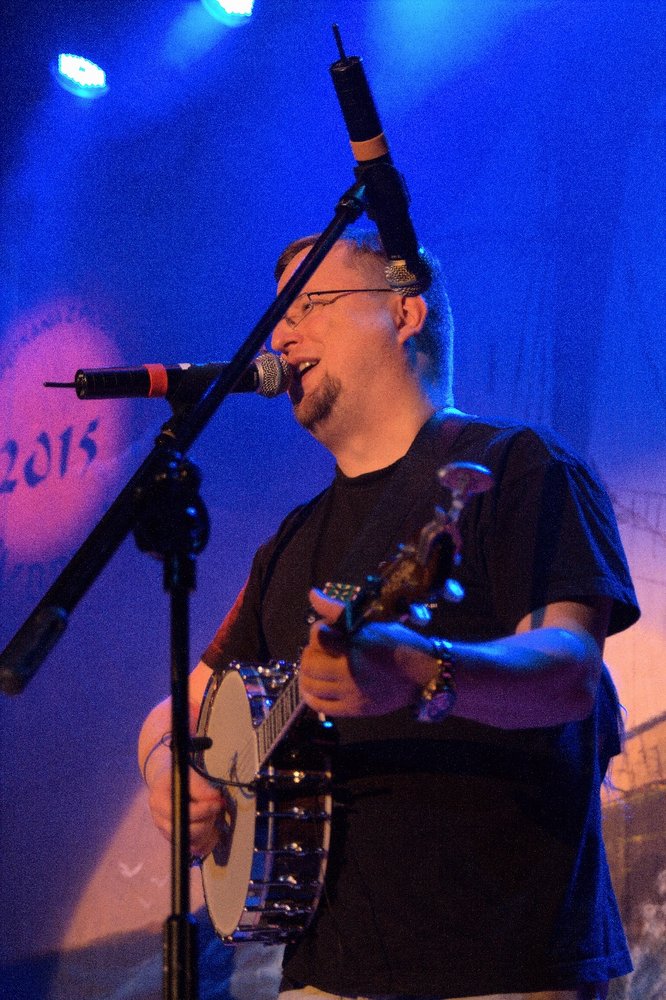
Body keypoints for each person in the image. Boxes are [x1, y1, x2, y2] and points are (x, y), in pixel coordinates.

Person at [138, 229, 640, 1000]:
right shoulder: (289, 544)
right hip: (320, 978)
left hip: (505, 968)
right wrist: (168, 770)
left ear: (405, 314)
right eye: (277, 318)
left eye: (311, 303)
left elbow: (569, 672)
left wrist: (421, 670)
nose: (281, 337)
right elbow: (179, 707)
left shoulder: (520, 467)